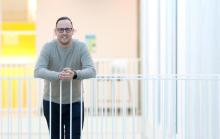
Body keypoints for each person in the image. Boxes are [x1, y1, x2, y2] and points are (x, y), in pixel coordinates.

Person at [34, 16, 96, 139]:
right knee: (56, 136)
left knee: (74, 136)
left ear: (73, 31)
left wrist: (75, 74)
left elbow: (92, 71)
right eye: (61, 29)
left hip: (75, 102)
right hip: (51, 101)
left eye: (67, 29)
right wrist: (58, 75)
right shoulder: (48, 47)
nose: (64, 33)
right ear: (55, 31)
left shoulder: (81, 47)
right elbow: (38, 71)